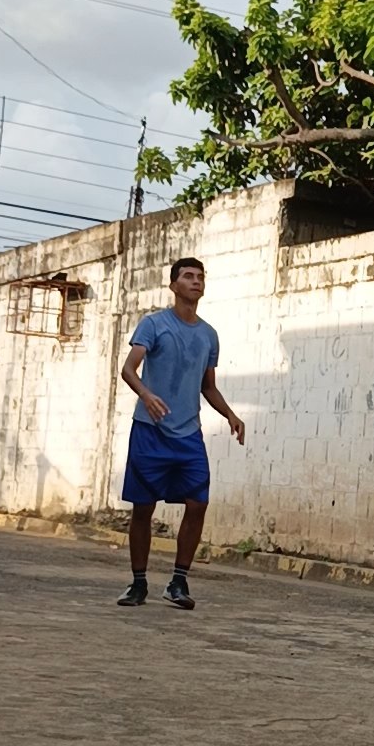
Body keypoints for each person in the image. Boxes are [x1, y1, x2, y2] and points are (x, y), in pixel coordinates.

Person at [116, 257, 244, 610]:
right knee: (143, 508)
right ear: (173, 285)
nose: (196, 281)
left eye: (200, 277)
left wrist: (230, 414)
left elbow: (208, 386)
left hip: (189, 434)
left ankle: (178, 581)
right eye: (188, 276)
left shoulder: (209, 335)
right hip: (149, 430)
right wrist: (146, 395)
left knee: (198, 503)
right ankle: (138, 583)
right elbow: (129, 369)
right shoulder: (154, 324)